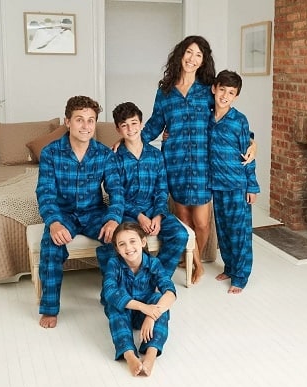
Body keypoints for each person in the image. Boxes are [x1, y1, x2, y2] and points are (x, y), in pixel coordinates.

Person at [116, 35, 256, 284]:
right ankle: (192, 262)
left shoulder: (207, 89)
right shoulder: (166, 90)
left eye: (199, 55)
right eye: (189, 52)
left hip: (203, 163)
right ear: (181, 54)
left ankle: (196, 260)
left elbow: (226, 119)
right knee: (184, 221)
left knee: (202, 223)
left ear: (204, 61)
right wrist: (130, 141)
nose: (192, 58)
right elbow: (156, 123)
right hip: (175, 160)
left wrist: (252, 141)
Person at [36, 95, 124, 328]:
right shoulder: (50, 153)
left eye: (91, 120)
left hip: (94, 212)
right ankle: (50, 308)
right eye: (79, 120)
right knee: (50, 247)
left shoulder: (104, 154)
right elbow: (45, 192)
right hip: (63, 214)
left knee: (116, 240)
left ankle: (111, 296)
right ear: (67, 122)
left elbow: (117, 191)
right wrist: (54, 222)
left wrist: (114, 219)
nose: (86, 126)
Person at [112, 101, 188, 278]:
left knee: (179, 234)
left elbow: (162, 189)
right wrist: (139, 216)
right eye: (124, 126)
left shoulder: (156, 155)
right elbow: (117, 194)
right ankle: (133, 279)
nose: (130, 129)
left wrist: (158, 216)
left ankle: (157, 277)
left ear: (141, 124)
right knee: (130, 242)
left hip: (155, 209)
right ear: (118, 130)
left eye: (134, 123)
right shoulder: (114, 158)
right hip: (127, 212)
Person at [100, 222, 176, 377]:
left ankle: (150, 355)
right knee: (114, 304)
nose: (128, 248)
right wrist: (143, 307)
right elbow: (109, 291)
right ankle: (129, 355)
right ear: (117, 249)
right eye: (122, 244)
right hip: (124, 310)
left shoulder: (154, 263)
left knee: (158, 298)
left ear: (143, 242)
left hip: (144, 314)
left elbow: (170, 293)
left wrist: (151, 314)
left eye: (132, 241)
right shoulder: (114, 264)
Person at [208, 70, 260, 294]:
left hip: (237, 185)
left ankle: (241, 276)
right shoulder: (206, 116)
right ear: (214, 89)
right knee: (224, 231)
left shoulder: (239, 121)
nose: (225, 96)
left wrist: (252, 186)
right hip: (216, 185)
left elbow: (248, 155)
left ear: (236, 96)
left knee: (240, 233)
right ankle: (229, 267)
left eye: (231, 93)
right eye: (222, 90)